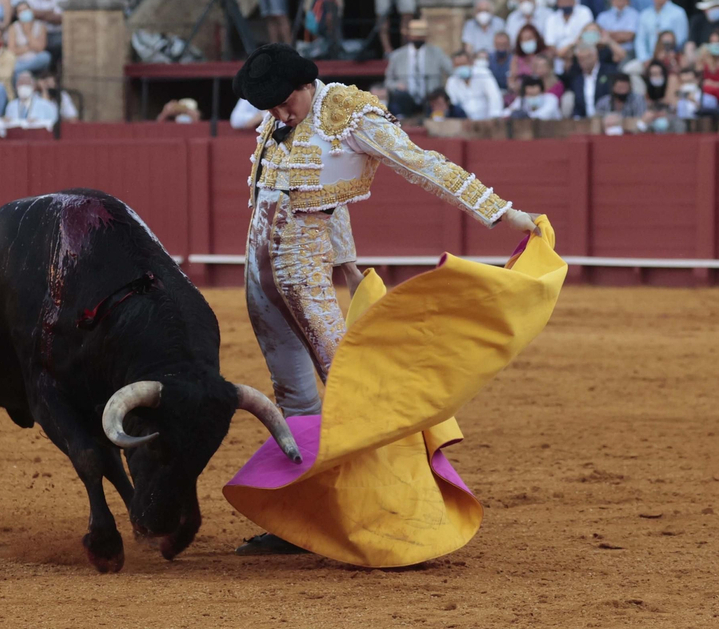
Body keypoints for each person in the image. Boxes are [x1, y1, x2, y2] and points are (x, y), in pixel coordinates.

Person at [230, 44, 540, 553]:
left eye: (285, 102)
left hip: (305, 284)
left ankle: (395, 511)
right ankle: (305, 518)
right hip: (260, 286)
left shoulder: (353, 117)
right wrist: (349, 263)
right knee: (294, 400)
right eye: (270, 107)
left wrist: (504, 214)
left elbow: (424, 166)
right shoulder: (282, 117)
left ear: (308, 86)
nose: (278, 115)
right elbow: (318, 193)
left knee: (356, 395)